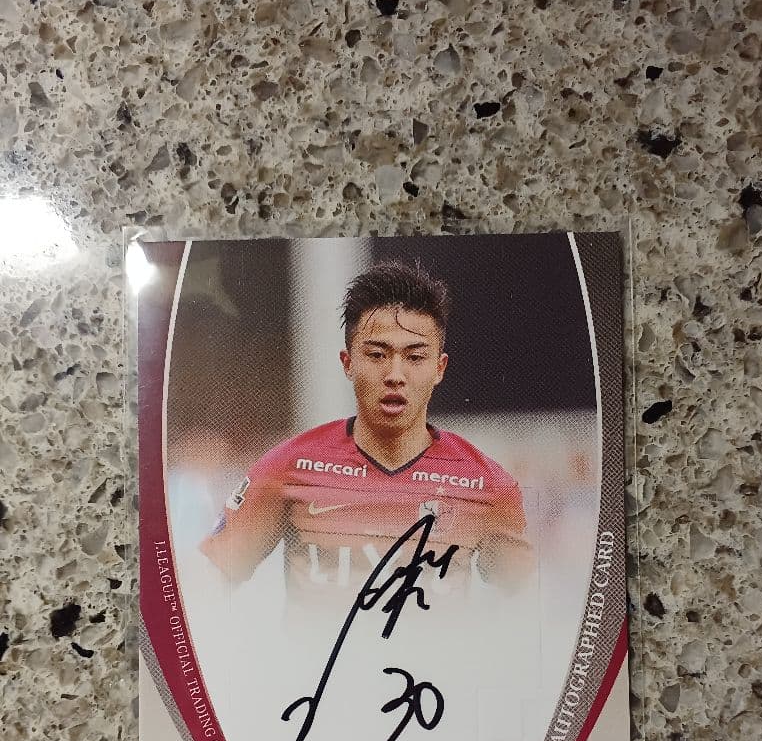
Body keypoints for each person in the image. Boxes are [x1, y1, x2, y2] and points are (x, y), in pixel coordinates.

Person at [200, 260, 532, 607]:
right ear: (348, 363)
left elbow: (529, 608)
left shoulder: (487, 485)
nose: (395, 375)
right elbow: (207, 586)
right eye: (376, 355)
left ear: (439, 368)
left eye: (415, 357)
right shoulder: (288, 467)